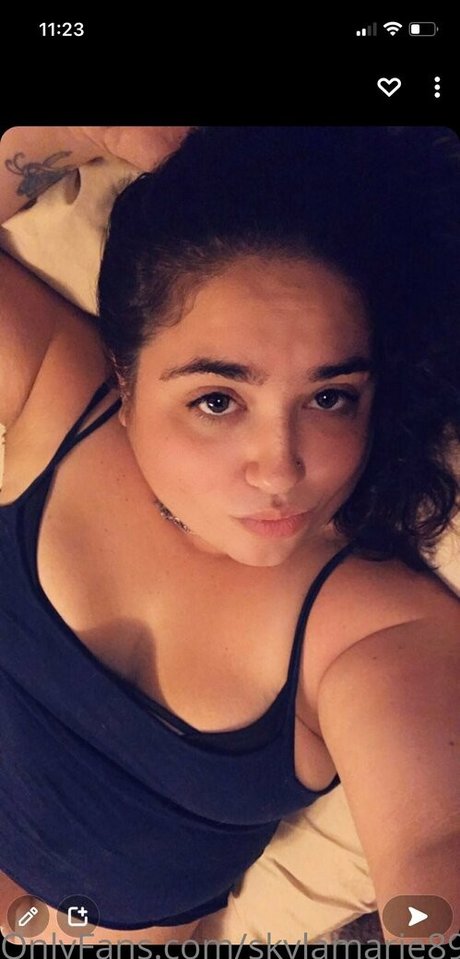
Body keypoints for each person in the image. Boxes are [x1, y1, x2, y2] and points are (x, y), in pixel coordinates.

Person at [0, 126, 459, 946]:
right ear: (126, 376)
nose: (280, 469)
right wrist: (87, 133)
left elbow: (436, 848)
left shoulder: (372, 630)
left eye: (329, 398)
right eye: (218, 400)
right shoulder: (60, 400)